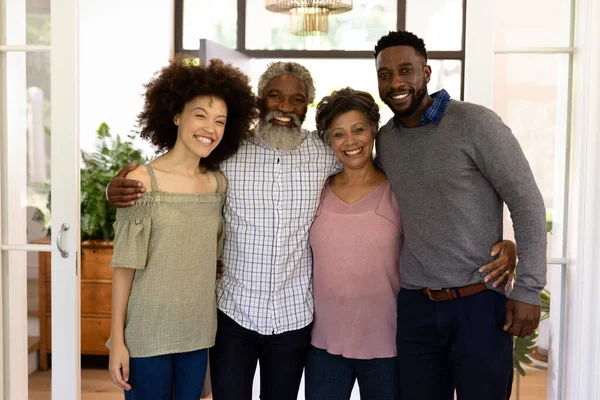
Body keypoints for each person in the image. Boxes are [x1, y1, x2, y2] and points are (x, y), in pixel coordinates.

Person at [107, 62, 517, 400]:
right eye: (275, 96)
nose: (285, 106)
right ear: (258, 100)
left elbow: (430, 198)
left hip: (294, 316)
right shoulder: (227, 153)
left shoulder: (325, 153)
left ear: (307, 107)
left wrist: (501, 241)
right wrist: (121, 186)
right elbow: (180, 170)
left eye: (297, 99)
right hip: (233, 312)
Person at [305, 87, 517, 400]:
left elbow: (450, 224)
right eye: (338, 134)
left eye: (359, 130)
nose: (350, 142)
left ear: (374, 131)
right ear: (328, 140)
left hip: (387, 345)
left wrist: (507, 244)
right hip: (324, 342)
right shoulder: (316, 190)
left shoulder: (399, 189)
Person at [374, 30, 547, 400]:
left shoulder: (475, 123)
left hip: (479, 306)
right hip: (415, 306)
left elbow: (526, 202)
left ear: (427, 72)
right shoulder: (385, 141)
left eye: (406, 70)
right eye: (385, 74)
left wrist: (529, 288)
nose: (396, 82)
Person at [107, 56, 256, 400]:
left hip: (198, 332)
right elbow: (124, 269)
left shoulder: (218, 184)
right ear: (176, 116)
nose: (211, 128)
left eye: (220, 121)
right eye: (200, 115)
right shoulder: (143, 181)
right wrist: (117, 341)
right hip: (147, 332)